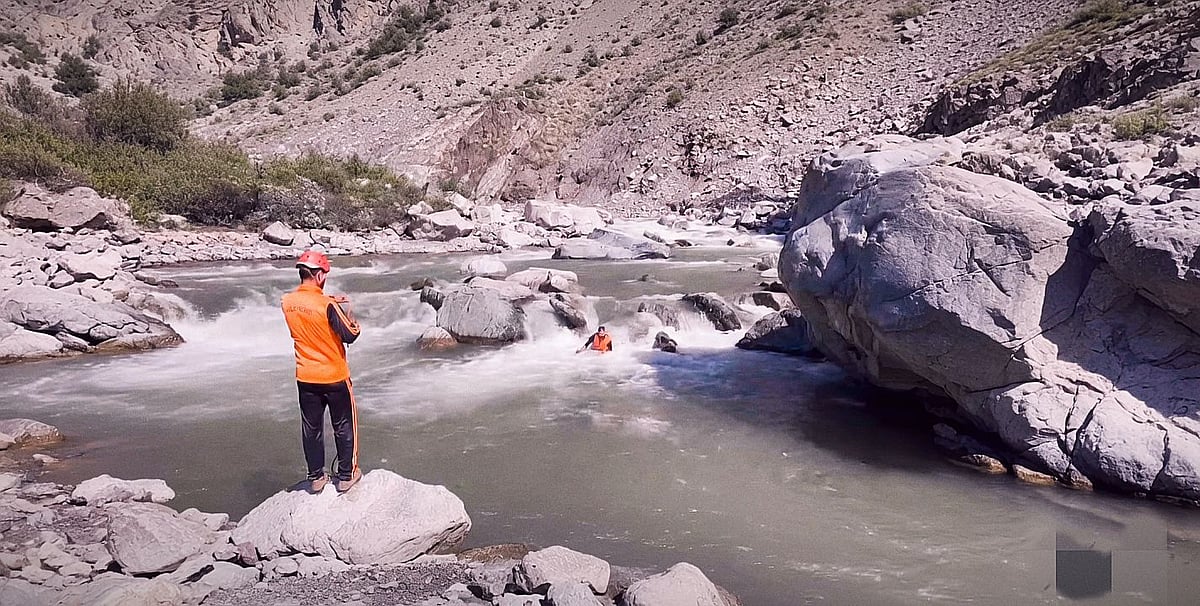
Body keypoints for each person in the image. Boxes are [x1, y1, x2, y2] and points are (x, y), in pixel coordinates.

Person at [281, 250, 363, 494]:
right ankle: (346, 476)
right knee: (344, 425)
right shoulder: (327, 305)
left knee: (312, 428)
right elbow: (350, 334)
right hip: (334, 376)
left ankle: (316, 477)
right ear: (318, 275)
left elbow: (308, 311)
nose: (325, 278)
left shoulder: (287, 301)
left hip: (306, 376)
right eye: (324, 274)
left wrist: (329, 302)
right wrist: (349, 311)